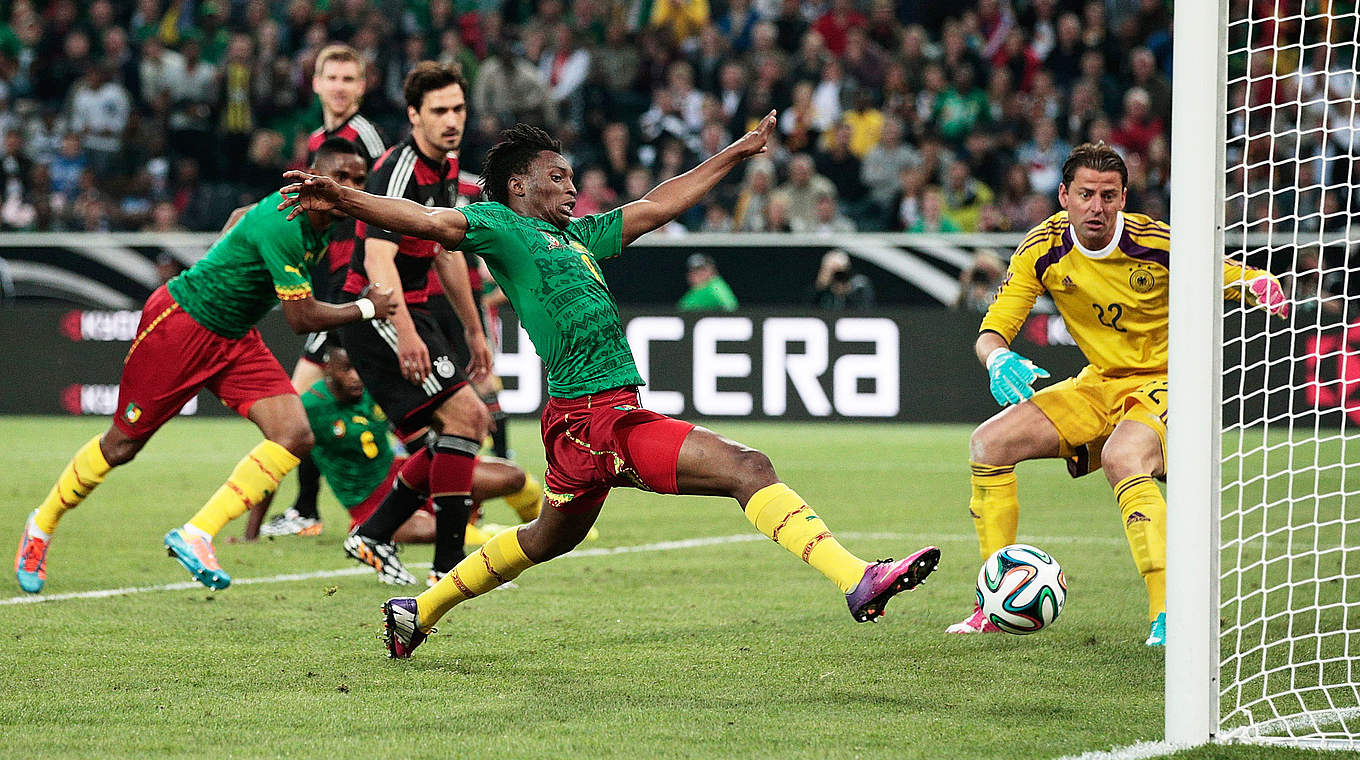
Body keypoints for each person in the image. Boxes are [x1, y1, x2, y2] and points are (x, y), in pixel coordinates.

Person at [279, 114, 942, 659]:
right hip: (596, 421)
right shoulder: (501, 226)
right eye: (558, 177)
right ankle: (857, 579)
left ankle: (417, 611)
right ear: (517, 186)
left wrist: (735, 153)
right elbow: (429, 222)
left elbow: (659, 204)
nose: (573, 188)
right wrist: (344, 200)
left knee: (544, 539)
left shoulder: (580, 237)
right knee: (748, 467)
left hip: (588, 419)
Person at [14, 138, 397, 594]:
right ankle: (40, 525)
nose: (351, 187)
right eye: (343, 177)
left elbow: (240, 218)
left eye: (359, 180)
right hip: (180, 327)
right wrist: (368, 308)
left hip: (234, 337)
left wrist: (226, 256)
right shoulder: (286, 224)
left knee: (293, 435)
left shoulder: (314, 217)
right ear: (315, 177)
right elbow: (301, 318)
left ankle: (196, 534)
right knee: (121, 446)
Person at [946, 142, 1288, 646]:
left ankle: (1172, 614)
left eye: (1108, 196)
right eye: (1085, 194)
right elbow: (992, 329)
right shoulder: (1041, 249)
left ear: (1123, 197)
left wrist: (1261, 283)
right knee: (988, 444)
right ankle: (993, 606)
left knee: (1122, 456)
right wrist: (998, 358)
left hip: (1170, 381)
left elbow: (1229, 272)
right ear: (1064, 196)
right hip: (1101, 381)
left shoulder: (1156, 242)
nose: (1096, 207)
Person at [331, 61, 498, 589]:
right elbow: (377, 261)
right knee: (467, 418)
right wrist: (405, 333)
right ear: (414, 116)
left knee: (455, 431)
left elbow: (449, 253)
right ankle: (446, 569)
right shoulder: (398, 169)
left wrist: (473, 329)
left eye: (459, 109)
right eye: (440, 111)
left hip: (414, 309)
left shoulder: (446, 166)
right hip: (378, 310)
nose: (452, 120)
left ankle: (376, 534)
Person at [241, 344, 543, 583]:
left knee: (511, 476)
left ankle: (546, 526)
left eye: (358, 368)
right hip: (370, 505)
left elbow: (416, 437)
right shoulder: (310, 408)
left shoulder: (373, 392)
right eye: (347, 369)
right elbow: (273, 464)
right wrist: (251, 533)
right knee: (445, 530)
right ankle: (486, 542)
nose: (356, 377)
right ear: (329, 369)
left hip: (405, 475)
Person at [260, 43, 388, 539]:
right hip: (330, 284)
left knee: (298, 403)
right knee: (313, 404)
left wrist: (367, 280)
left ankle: (305, 510)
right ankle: (309, 508)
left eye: (348, 79)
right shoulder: (320, 138)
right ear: (315, 83)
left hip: (353, 287)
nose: (339, 87)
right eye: (330, 77)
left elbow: (386, 206)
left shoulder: (366, 138)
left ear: (362, 85)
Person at [810, 249, 875, 310]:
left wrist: (847, 291)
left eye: (838, 271)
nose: (836, 276)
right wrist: (819, 287)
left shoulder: (859, 285)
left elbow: (865, 309)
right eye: (831, 271)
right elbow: (808, 309)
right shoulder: (823, 290)